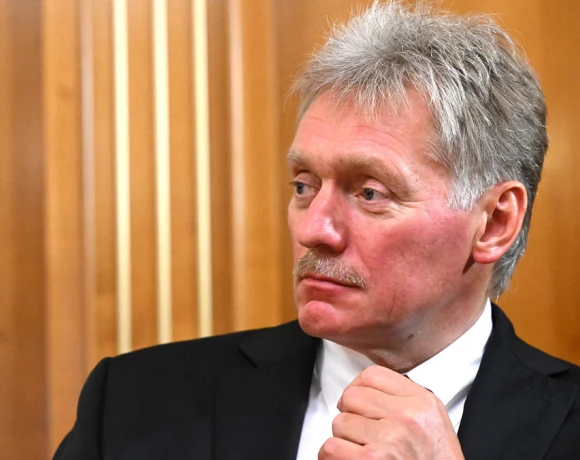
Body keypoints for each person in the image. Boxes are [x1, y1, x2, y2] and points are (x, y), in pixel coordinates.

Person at [53, 2, 580, 459]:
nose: (313, 229)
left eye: (370, 193)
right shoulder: (135, 404)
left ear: (494, 223)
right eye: (304, 186)